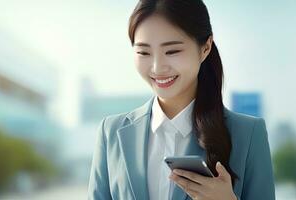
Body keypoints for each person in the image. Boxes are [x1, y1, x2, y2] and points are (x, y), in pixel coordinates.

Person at [87, 0, 275, 199]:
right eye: (144, 52)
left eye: (172, 51)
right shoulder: (111, 132)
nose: (158, 68)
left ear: (205, 47)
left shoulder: (248, 135)